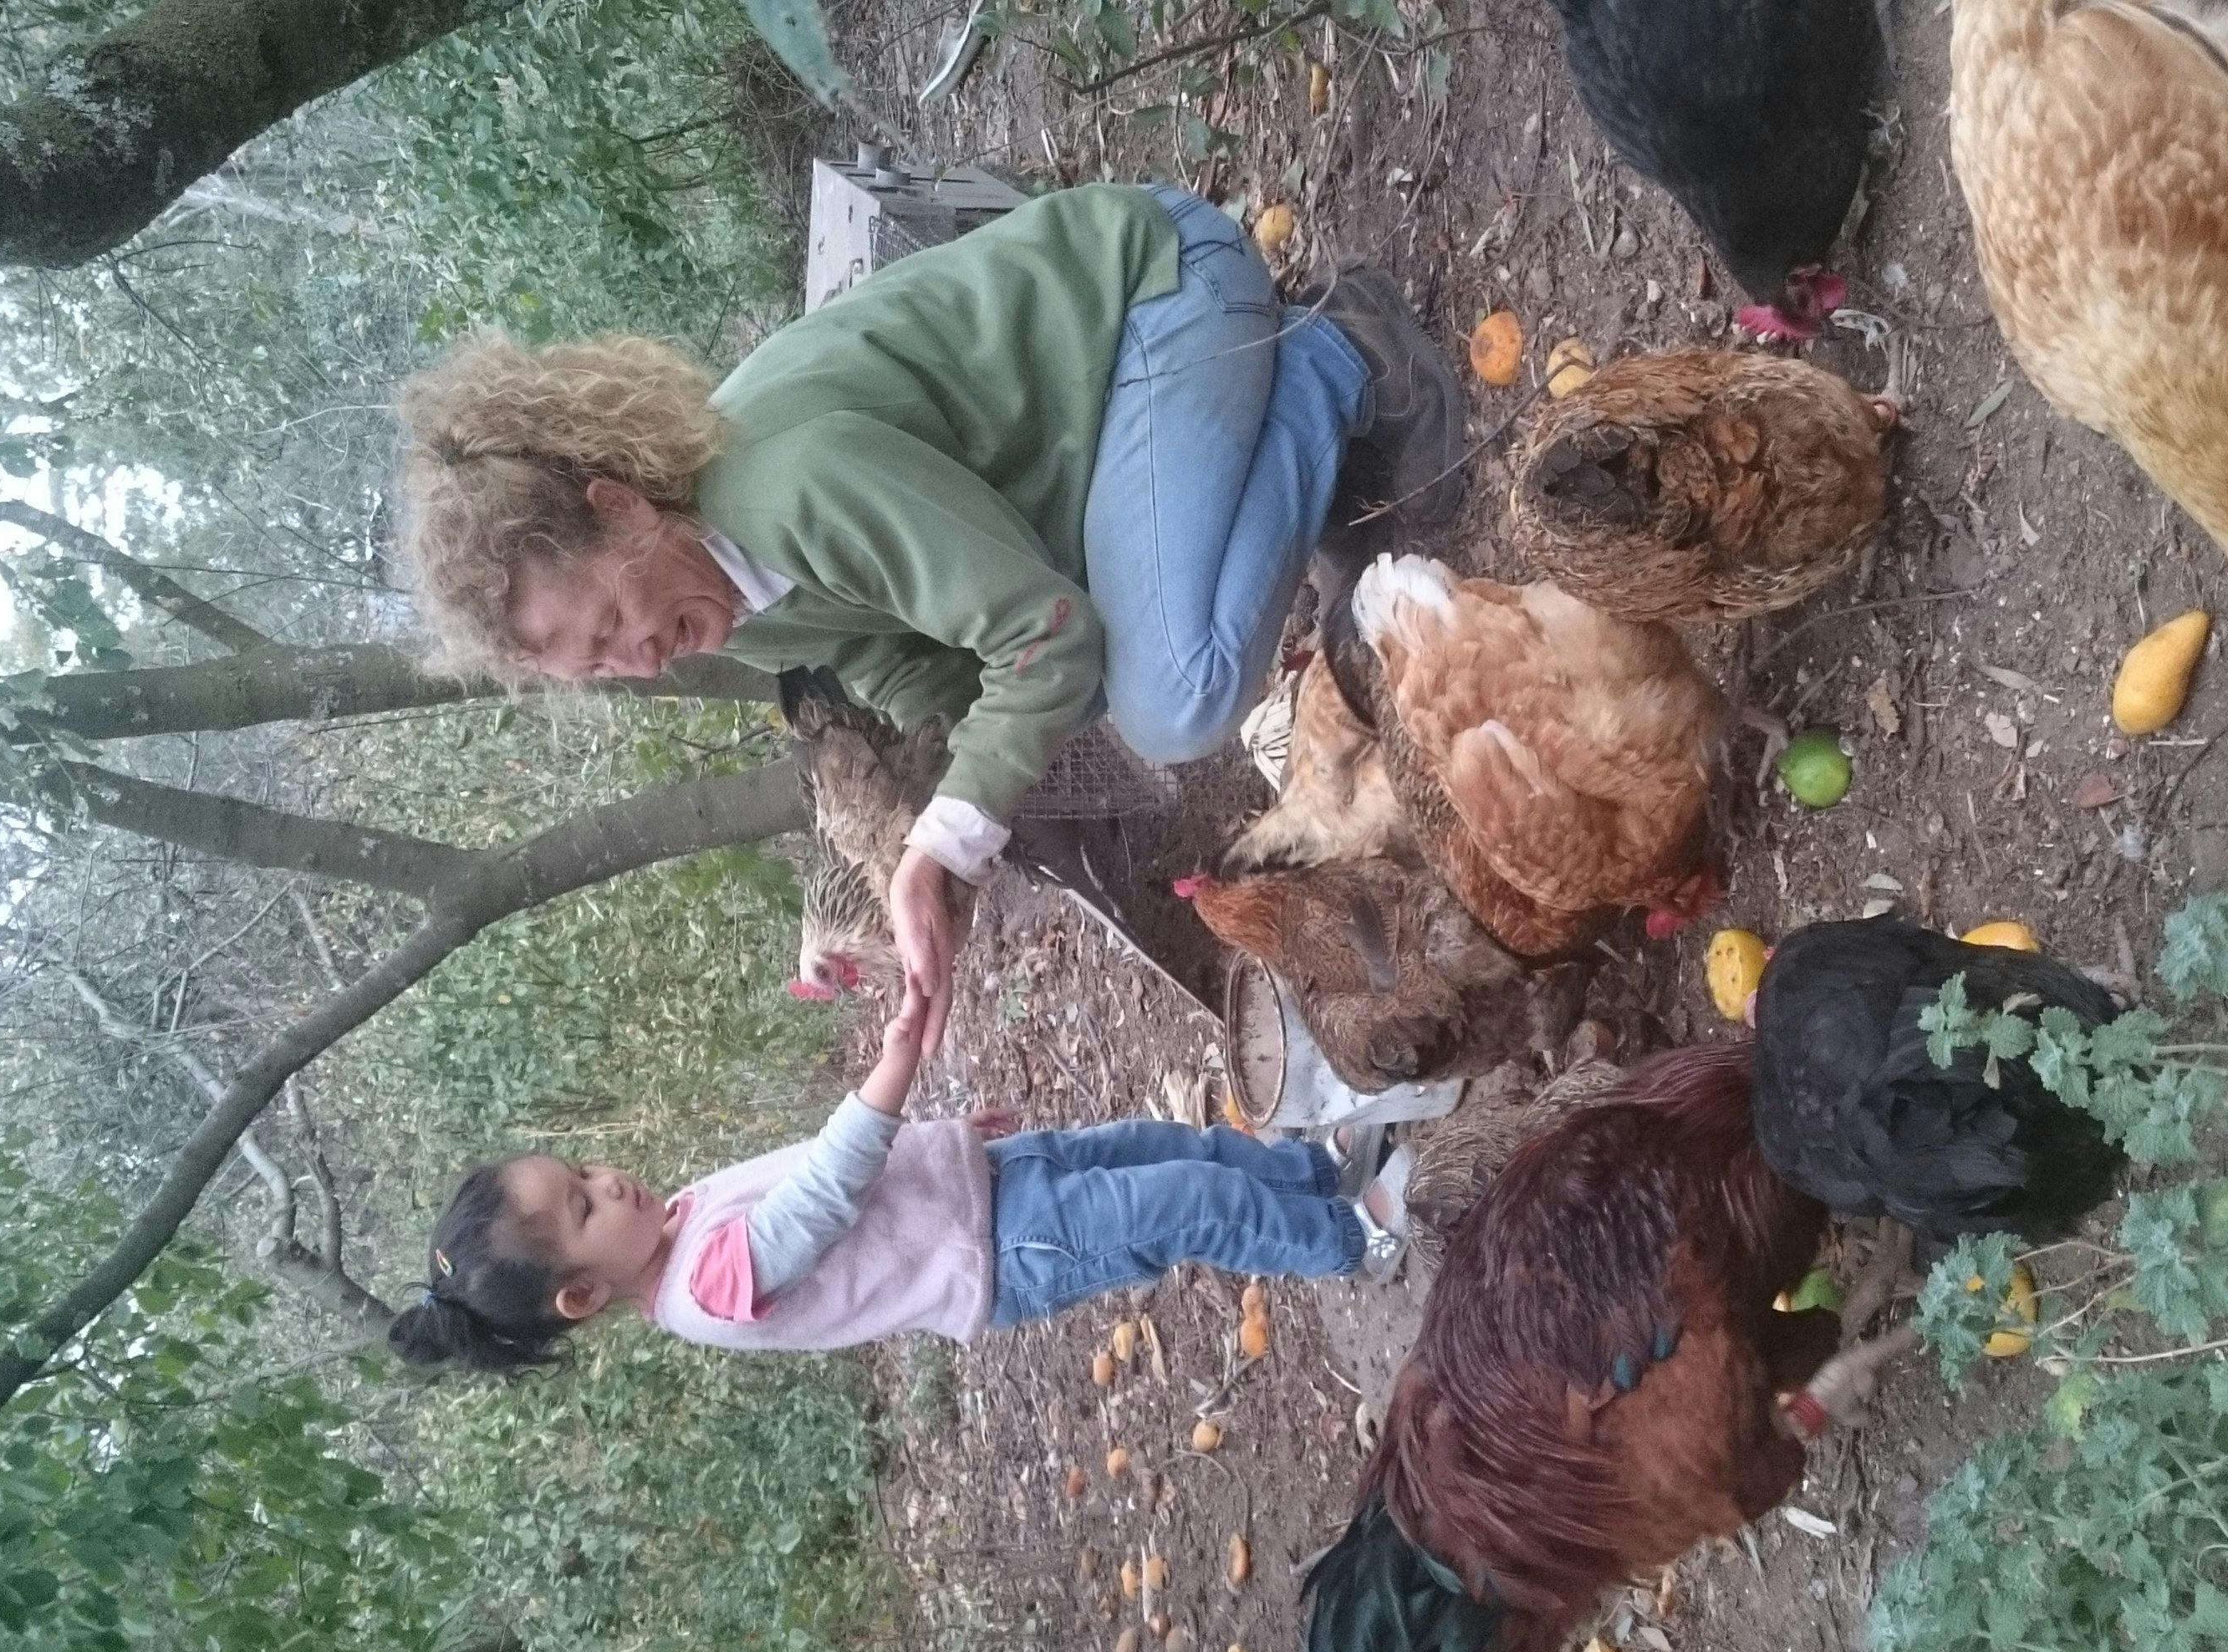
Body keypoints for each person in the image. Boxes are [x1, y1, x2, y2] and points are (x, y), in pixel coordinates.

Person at [394, 181, 1468, 1052]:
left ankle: (1337, 356)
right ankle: (1270, 461)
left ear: (619, 506)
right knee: (1091, 694)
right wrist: (943, 844)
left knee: (1175, 699)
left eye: (611, 622)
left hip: (1161, 291)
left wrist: (955, 827)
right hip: (1095, 439)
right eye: (602, 668)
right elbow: (912, 663)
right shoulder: (716, 595)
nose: (637, 660)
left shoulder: (788, 488)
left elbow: (1044, 635)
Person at [385, 986, 1416, 1373]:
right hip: (1002, 1251)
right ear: (580, 1293)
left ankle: (1309, 1174)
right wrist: (888, 1081)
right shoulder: (707, 1290)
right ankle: (1349, 1241)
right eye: (582, 1205)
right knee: (1181, 1204)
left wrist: (935, 1134)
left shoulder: (679, 1227)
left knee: (1167, 1147)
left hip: (986, 1183)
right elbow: (821, 1198)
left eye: (586, 1167)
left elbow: (844, 1189)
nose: (609, 1181)